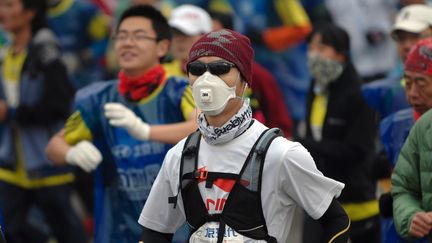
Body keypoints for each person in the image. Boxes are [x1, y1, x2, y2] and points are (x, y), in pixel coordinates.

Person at [138, 28, 350, 243]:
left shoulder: (280, 153)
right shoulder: (180, 155)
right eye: (197, 69)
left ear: (245, 80)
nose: (206, 79)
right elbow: (155, 232)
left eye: (220, 68)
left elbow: (336, 220)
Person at [45, 5, 197, 243]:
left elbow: (200, 128)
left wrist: (145, 131)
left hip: (175, 228)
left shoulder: (179, 91)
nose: (127, 43)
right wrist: (71, 152)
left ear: (162, 47)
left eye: (138, 36)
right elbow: (54, 147)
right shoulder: (98, 99)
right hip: (118, 228)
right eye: (121, 36)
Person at [0, 0, 88, 242]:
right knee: (9, 228)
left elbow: (60, 104)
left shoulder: (46, 52)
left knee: (67, 231)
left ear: (29, 12)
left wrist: (12, 113)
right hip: (12, 164)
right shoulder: (6, 53)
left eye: (9, 5)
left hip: (46, 160)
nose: (2, 12)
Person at [296, 23, 379, 243]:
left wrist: (303, 144)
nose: (313, 54)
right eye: (311, 47)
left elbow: (358, 150)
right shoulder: (317, 86)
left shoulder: (359, 94)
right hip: (319, 201)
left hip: (357, 205)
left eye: (321, 48)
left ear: (341, 54)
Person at [391, 38, 432, 242]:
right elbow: (403, 189)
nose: (412, 95)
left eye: (421, 83)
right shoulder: (424, 127)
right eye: (408, 84)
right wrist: (411, 216)